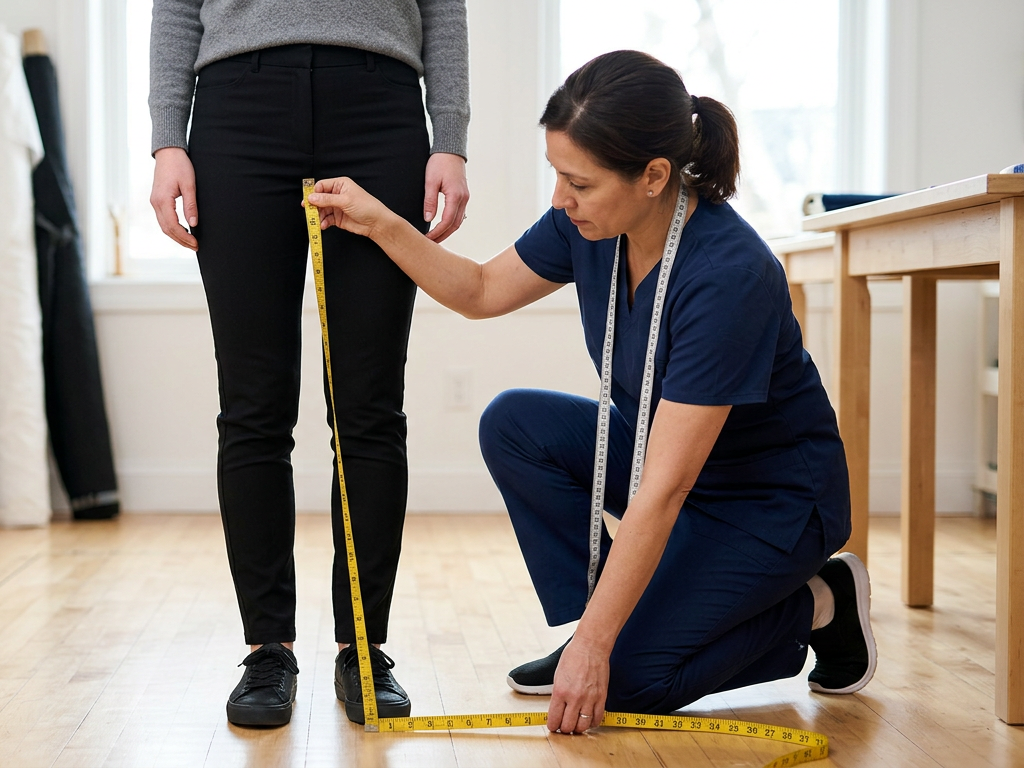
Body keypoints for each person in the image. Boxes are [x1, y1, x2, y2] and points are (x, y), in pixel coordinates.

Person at [306, 49, 875, 735]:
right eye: (556, 174)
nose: (559, 199)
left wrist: (600, 650)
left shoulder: (728, 275)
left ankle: (822, 602)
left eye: (578, 181)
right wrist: (378, 222)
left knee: (627, 683)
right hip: (671, 475)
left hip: (771, 504)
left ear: (653, 177)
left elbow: (665, 487)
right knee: (515, 423)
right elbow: (482, 291)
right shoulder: (593, 225)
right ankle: (603, 625)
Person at [148, 1, 472, 727]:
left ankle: (364, 645)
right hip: (237, 108)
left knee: (369, 404)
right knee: (254, 406)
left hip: (380, 106)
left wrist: (448, 137)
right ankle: (268, 648)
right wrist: (168, 140)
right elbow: (176, 8)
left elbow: (442, 9)